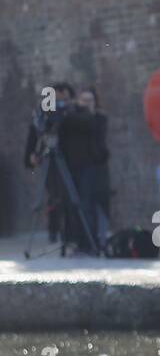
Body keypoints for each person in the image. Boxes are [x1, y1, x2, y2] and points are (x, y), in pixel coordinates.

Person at [23, 82, 75, 247]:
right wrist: (32, 155)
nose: (63, 100)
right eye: (61, 96)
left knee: (69, 195)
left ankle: (69, 231)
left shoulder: (69, 111)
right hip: (50, 158)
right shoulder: (43, 112)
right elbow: (35, 133)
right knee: (54, 196)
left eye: (66, 97)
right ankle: (54, 230)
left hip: (68, 158)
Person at [60, 87, 110, 254]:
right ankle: (78, 240)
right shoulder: (72, 117)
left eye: (90, 100)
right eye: (84, 100)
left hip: (93, 167)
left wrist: (81, 111)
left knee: (89, 204)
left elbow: (92, 128)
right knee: (76, 204)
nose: (88, 103)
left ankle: (91, 241)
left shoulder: (98, 118)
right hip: (74, 166)